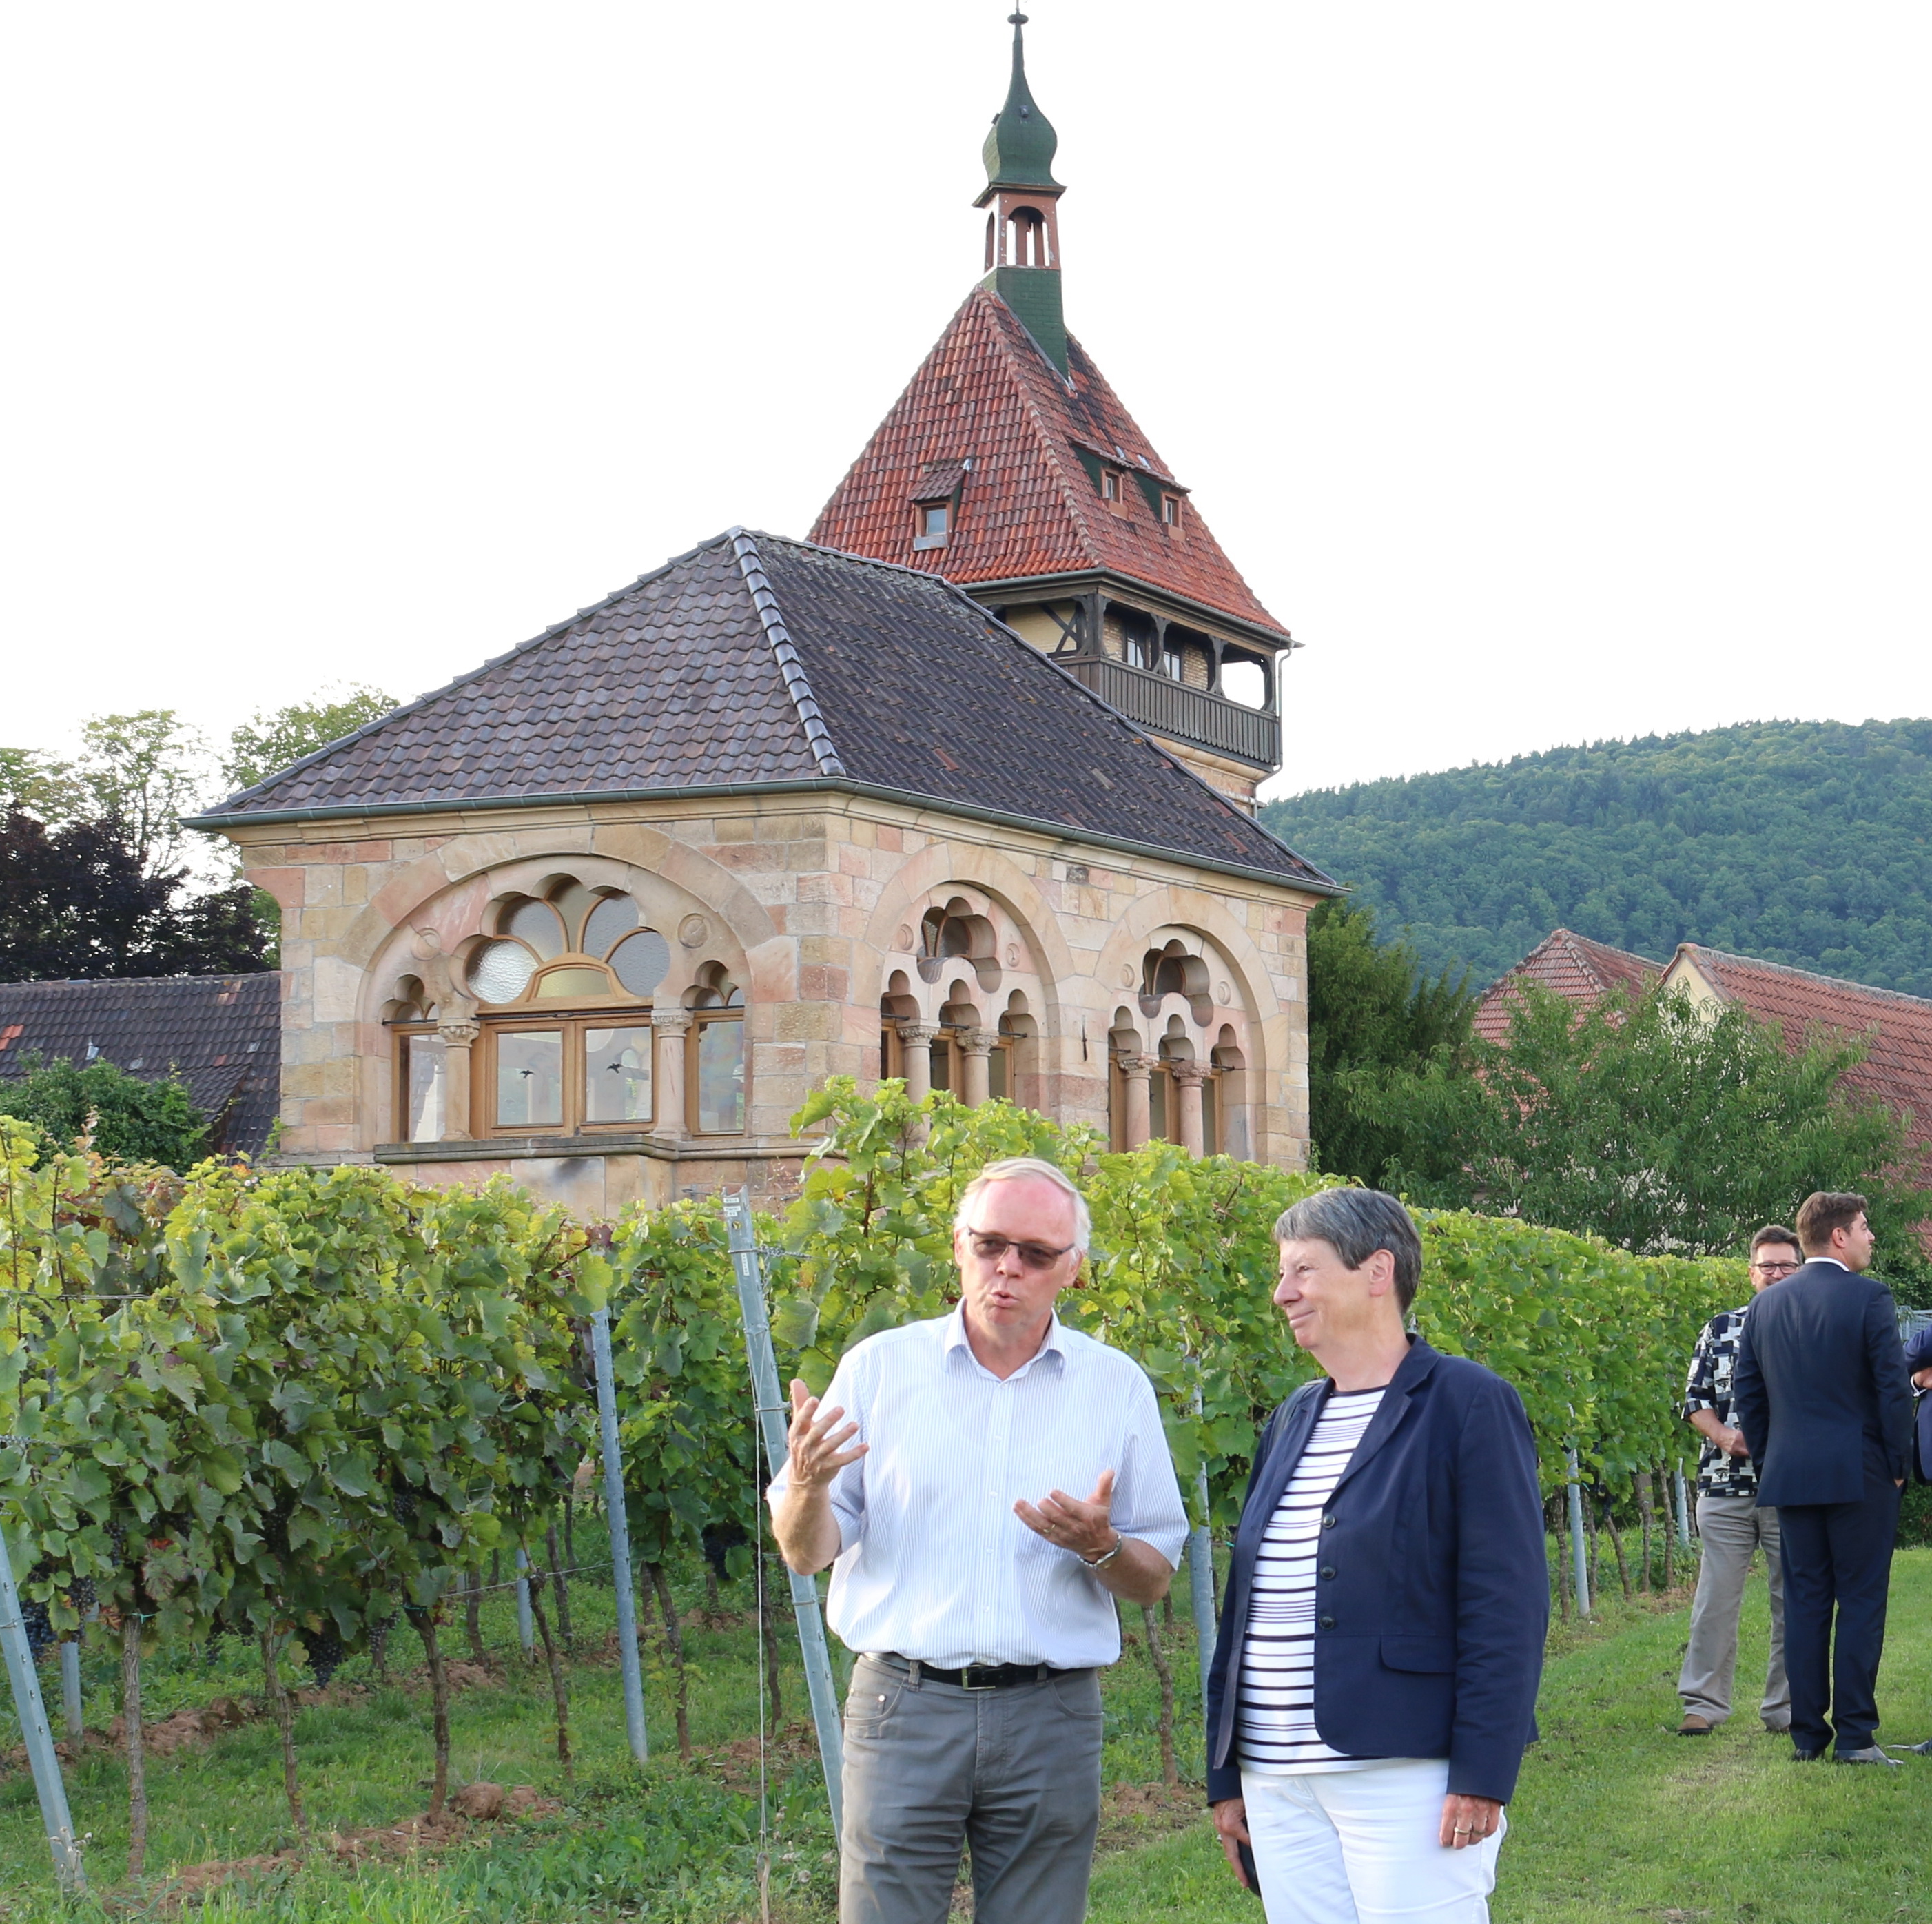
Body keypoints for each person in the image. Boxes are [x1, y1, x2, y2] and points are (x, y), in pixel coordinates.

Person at [768, 1155, 1189, 1924]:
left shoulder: (1114, 1385)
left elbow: (1154, 1577)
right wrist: (805, 1483)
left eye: (1036, 1253)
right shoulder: (879, 1369)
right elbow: (806, 1550)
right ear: (957, 1244)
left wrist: (1100, 1546)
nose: (1009, 1267)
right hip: (904, 1706)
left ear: (1074, 1269)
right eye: (991, 1242)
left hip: (1049, 1715)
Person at [1204, 1189, 1547, 1924]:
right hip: (1275, 1772)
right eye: (1280, 1272)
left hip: (1402, 1768)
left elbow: (1504, 1603)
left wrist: (1482, 1771)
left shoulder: (1467, 1401)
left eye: (1301, 1269)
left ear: (1375, 1270)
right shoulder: (1295, 1413)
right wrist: (1226, 1770)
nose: (1281, 1292)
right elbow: (1247, 1599)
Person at [1732, 1190, 1913, 1766]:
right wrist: (1898, 1465)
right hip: (1861, 1473)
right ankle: (1856, 1736)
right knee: (1860, 1601)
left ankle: (1808, 1737)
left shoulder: (1763, 1307)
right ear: (1839, 1236)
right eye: (1864, 1226)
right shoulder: (1869, 1298)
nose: (1871, 1236)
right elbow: (1891, 1391)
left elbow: (1750, 1397)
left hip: (1790, 1473)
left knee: (1806, 1603)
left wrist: (1771, 1461)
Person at [1674, 1225, 1801, 1737]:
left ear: (1801, 1269)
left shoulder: (1810, 1325)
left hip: (1790, 1488)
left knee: (1792, 1600)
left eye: (1785, 1266)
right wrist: (1727, 1438)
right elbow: (1693, 1401)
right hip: (1725, 1488)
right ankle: (1702, 1704)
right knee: (1715, 1599)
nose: (1775, 1274)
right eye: (1766, 1266)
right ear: (1751, 1272)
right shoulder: (1721, 1328)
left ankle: (1786, 1709)